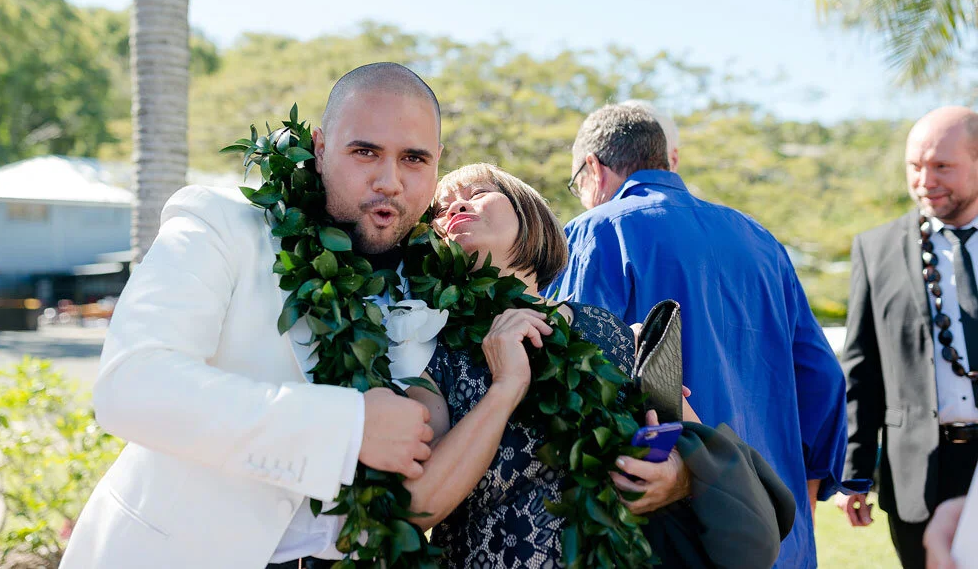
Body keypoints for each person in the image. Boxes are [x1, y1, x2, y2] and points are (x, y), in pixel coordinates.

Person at [60, 63, 444, 569]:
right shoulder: (218, 225)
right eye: (365, 151)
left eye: (413, 158)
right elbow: (130, 385)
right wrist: (347, 427)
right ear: (320, 149)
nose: (389, 181)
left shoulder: (439, 285)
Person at [404, 162, 795, 568]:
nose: (455, 207)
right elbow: (419, 507)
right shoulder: (430, 350)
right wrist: (505, 388)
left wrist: (678, 476)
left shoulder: (608, 331)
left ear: (527, 212)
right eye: (440, 210)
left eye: (477, 193)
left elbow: (695, 448)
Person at [546, 103, 849, 568]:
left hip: (673, 531)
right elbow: (823, 378)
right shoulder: (760, 239)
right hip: (774, 529)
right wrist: (803, 493)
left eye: (577, 184)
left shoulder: (596, 231)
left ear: (593, 168)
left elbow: (572, 378)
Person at [837, 106, 978, 569]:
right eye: (914, 166)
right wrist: (855, 474)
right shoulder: (876, 249)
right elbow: (861, 370)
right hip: (917, 474)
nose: (924, 181)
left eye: (942, 166)